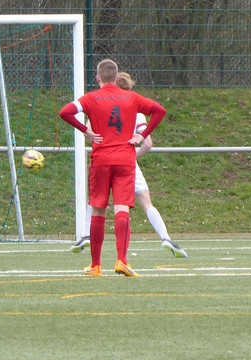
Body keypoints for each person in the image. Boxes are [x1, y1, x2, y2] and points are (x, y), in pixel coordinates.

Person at [59, 58, 166, 277]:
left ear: (98, 78)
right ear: (117, 78)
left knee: (98, 209)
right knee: (122, 208)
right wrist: (142, 135)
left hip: (101, 160)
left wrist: (86, 131)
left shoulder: (91, 98)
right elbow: (159, 111)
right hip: (125, 160)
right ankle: (122, 261)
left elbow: (65, 112)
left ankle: (95, 266)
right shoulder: (132, 97)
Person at [71, 72, 187, 259]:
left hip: (103, 159)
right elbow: (148, 143)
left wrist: (94, 135)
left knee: (96, 201)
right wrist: (133, 154)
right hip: (127, 162)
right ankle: (165, 237)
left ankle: (86, 235)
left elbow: (88, 130)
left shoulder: (98, 104)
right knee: (144, 203)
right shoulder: (135, 108)